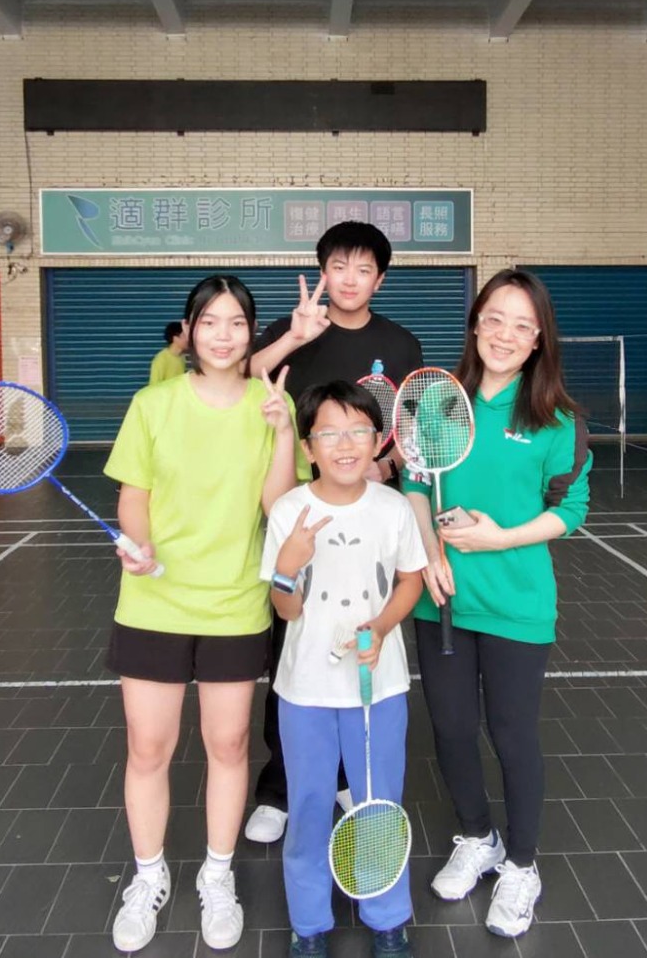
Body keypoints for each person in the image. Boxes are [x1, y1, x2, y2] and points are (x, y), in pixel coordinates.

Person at [104, 275, 308, 954]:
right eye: (210, 321)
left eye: (237, 322)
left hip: (233, 603)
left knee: (229, 745)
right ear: (190, 330)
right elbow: (134, 494)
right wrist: (138, 542)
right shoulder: (152, 403)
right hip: (153, 602)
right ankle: (148, 876)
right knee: (147, 748)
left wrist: (283, 433)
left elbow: (277, 507)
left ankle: (216, 877)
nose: (223, 335)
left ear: (251, 331)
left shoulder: (271, 401)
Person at [404, 269, 591, 939]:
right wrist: (429, 550)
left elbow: (570, 508)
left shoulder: (557, 420)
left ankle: (521, 864)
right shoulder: (439, 405)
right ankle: (476, 836)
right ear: (475, 324)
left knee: (511, 734)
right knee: (451, 728)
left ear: (539, 339)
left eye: (521, 325)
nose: (505, 335)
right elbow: (415, 483)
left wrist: (499, 538)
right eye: (494, 319)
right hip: (443, 599)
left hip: (516, 602)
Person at [244, 221, 423, 844]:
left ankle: (346, 779)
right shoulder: (295, 329)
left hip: (368, 514)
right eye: (339, 267)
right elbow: (241, 380)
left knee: (358, 641)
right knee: (293, 645)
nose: (350, 280)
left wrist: (383, 466)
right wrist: (292, 337)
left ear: (380, 279)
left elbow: (409, 431)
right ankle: (280, 787)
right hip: (297, 509)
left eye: (364, 269)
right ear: (322, 272)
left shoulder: (401, 344)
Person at [262, 381, 427, 958]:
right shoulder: (290, 511)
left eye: (358, 430)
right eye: (329, 433)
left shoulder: (393, 508)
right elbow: (286, 610)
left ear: (378, 441)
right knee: (308, 805)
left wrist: (380, 628)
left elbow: (410, 581)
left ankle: (387, 917)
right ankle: (309, 924)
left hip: (379, 686)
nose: (345, 444)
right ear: (308, 447)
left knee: (378, 801)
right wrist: (288, 567)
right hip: (305, 689)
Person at [148, 320, 188, 385]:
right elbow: (154, 386)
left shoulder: (182, 357)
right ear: (175, 338)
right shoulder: (161, 359)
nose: (188, 339)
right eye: (184, 336)